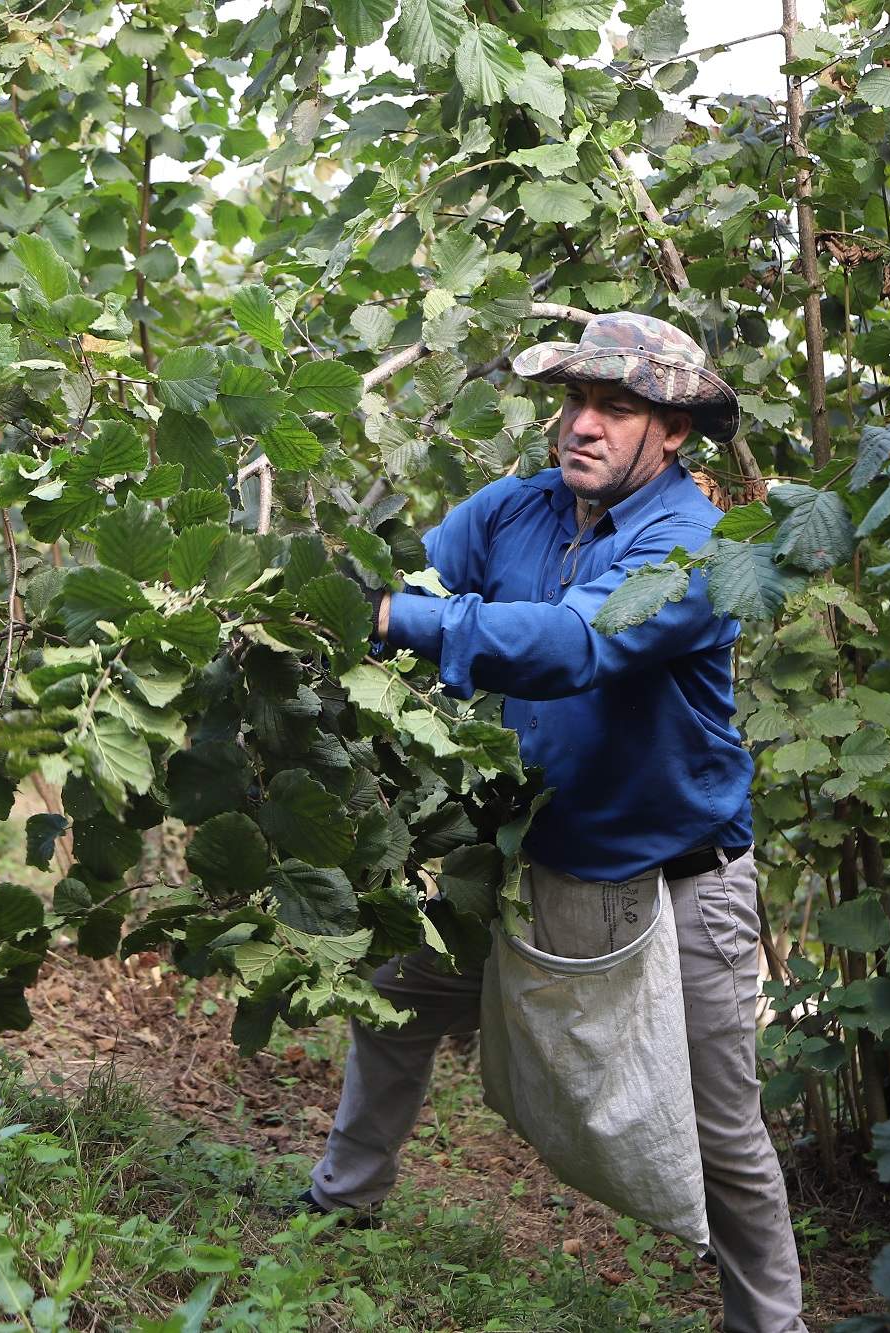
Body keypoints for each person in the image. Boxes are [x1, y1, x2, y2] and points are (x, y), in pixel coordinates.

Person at [303, 313, 806, 1333]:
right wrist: (320, 600)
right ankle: (337, 1203)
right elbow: (408, 578)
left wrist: (400, 620)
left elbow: (573, 647)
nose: (581, 424)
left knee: (722, 1129)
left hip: (676, 878)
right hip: (516, 850)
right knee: (395, 994)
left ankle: (771, 1325)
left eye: (614, 408)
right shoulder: (514, 513)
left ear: (670, 433)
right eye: (573, 401)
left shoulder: (693, 548)